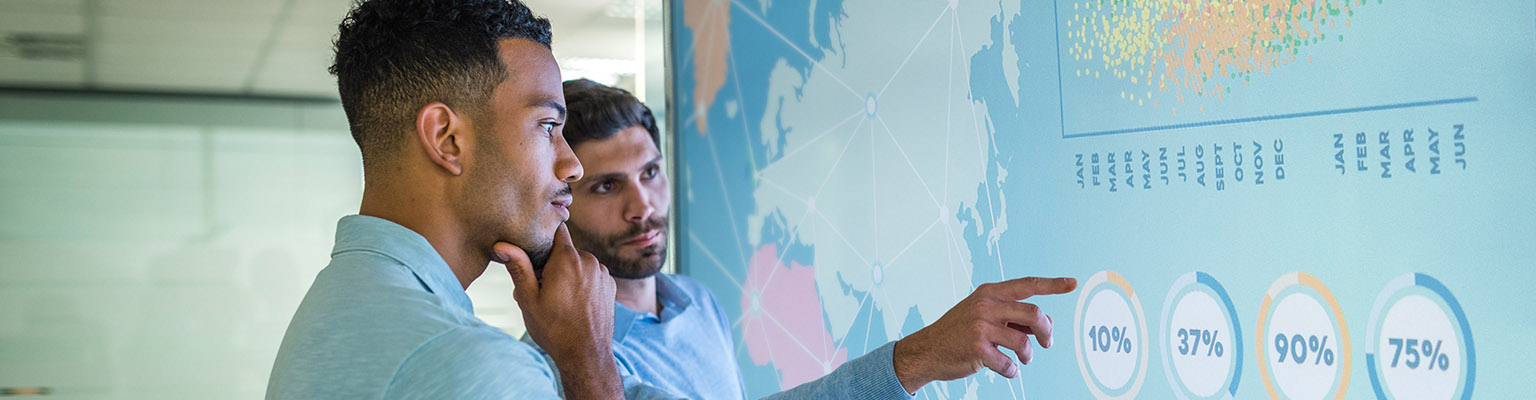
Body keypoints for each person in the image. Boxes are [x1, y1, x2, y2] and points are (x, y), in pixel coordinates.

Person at [546, 78, 1079, 399]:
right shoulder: (567, 353)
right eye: (607, 186)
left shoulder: (695, 301)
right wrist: (918, 357)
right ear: (562, 203)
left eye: (651, 173)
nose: (643, 206)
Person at [266, 1, 675, 399]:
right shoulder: (468, 361)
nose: (572, 165)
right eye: (548, 126)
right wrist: (589, 361)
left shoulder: (340, 304)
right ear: (448, 139)